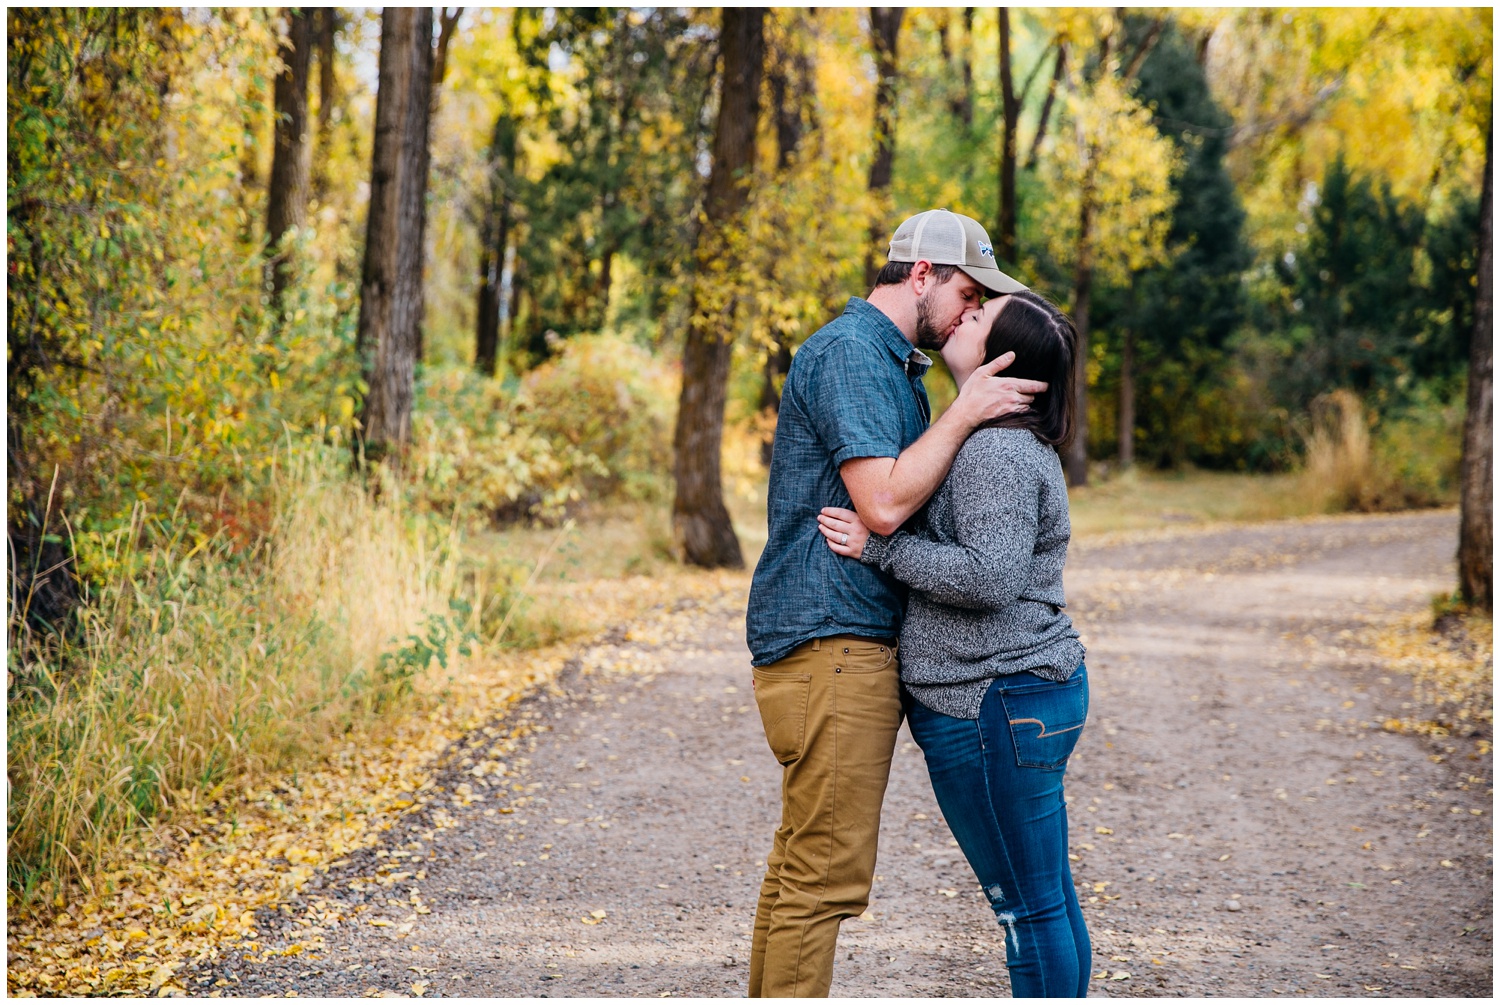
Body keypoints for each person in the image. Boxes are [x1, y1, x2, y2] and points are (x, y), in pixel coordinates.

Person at [745, 209, 1047, 998]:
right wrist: (968, 407)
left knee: (798, 873)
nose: (970, 312)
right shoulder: (851, 354)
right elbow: (880, 505)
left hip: (832, 649)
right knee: (822, 880)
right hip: (832, 648)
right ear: (922, 274)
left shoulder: (889, 365)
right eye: (967, 292)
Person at [816, 290, 1091, 998]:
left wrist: (882, 549)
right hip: (1011, 692)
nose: (963, 316)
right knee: (1046, 899)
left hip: (995, 700)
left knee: (1026, 909)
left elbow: (990, 576)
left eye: (979, 318)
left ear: (1003, 360)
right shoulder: (990, 439)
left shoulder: (995, 450)